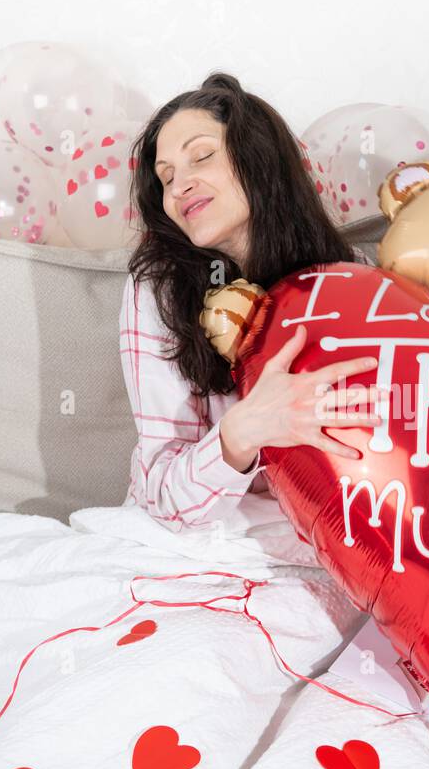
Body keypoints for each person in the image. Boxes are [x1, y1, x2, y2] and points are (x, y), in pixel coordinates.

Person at [123, 72, 379, 530]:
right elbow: (161, 494)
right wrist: (243, 432)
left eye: (201, 156)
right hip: (200, 541)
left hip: (333, 539)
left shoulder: (352, 273)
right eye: (166, 177)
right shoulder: (157, 288)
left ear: (259, 159)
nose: (179, 186)